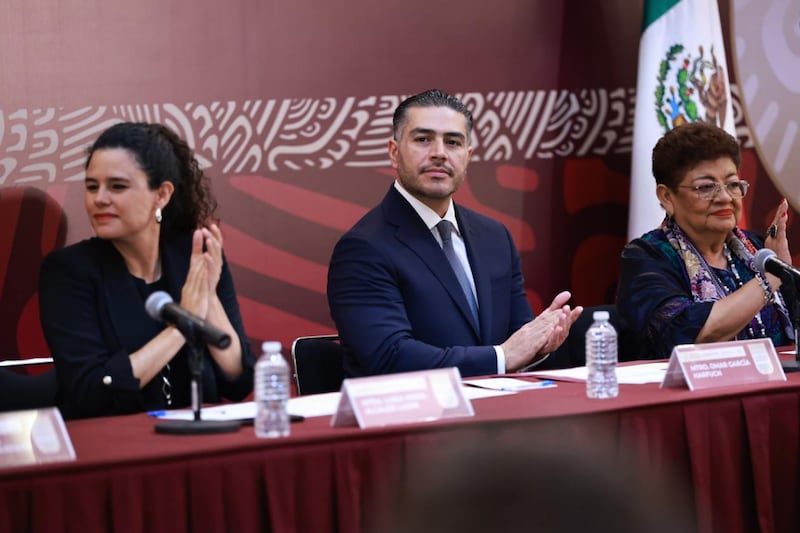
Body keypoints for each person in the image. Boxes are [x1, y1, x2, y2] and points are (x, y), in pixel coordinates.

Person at [327, 89, 582, 378]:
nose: (439, 153)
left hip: (500, 413)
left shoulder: (495, 237)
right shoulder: (364, 247)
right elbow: (389, 356)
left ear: (467, 155)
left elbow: (517, 339)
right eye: (423, 140)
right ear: (394, 152)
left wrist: (539, 347)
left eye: (453, 142)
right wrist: (501, 357)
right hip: (414, 417)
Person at [39, 122, 254, 419]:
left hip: (198, 439)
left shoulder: (193, 257)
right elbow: (91, 391)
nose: (99, 198)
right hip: (113, 448)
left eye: (117, 186)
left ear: (162, 195)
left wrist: (208, 300)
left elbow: (239, 378)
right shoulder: (68, 272)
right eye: (91, 186)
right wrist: (183, 323)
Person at [617, 121, 794, 359]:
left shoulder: (759, 249)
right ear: (667, 196)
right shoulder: (647, 257)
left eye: (732, 184)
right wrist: (772, 276)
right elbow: (689, 333)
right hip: (686, 394)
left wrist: (779, 269)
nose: (724, 197)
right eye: (706, 187)